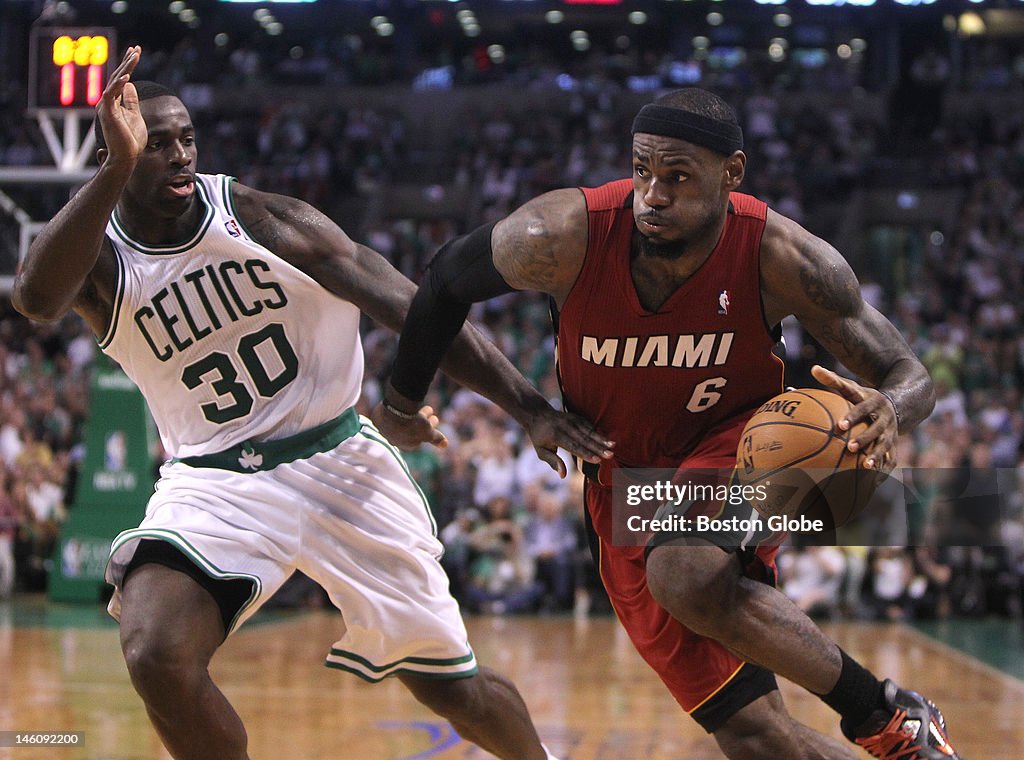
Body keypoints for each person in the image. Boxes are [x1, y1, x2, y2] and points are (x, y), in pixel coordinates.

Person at [12, 47, 611, 760]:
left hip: (337, 461)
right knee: (154, 650)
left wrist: (530, 408)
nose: (176, 155)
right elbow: (35, 300)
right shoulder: (104, 261)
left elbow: (411, 305)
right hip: (215, 481)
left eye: (186, 139)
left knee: (451, 687)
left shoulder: (261, 221)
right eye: (155, 143)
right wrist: (114, 166)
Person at [378, 88, 962, 759]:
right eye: (642, 170)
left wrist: (891, 407)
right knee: (755, 737)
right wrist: (504, 407)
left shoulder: (782, 256)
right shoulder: (561, 235)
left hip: (744, 447)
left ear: (731, 173)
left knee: (682, 570)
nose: (653, 194)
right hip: (625, 490)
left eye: (678, 176)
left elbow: (907, 373)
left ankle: (881, 712)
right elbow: (445, 280)